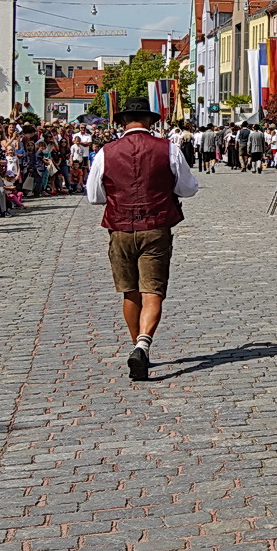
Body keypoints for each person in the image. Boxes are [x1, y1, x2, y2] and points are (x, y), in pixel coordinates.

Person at [85, 98, 199, 381]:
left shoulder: (106, 152)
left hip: (120, 228)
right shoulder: (168, 149)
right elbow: (188, 188)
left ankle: (138, 347)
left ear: (123, 122)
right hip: (156, 226)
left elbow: (93, 196)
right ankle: (143, 345)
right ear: (150, 121)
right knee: (153, 291)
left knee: (130, 292)